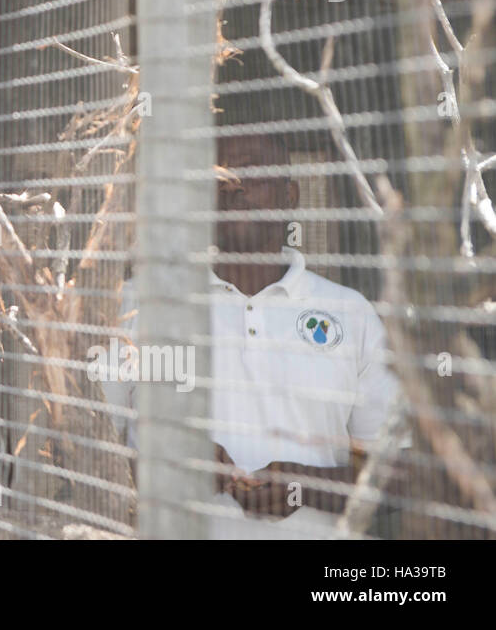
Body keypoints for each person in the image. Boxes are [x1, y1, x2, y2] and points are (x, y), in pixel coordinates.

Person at [101, 133, 405, 538]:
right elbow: (86, 447)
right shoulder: (142, 304)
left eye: (254, 172)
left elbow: (399, 474)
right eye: (220, 175)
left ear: (290, 195)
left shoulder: (350, 314)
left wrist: (305, 487)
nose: (234, 185)